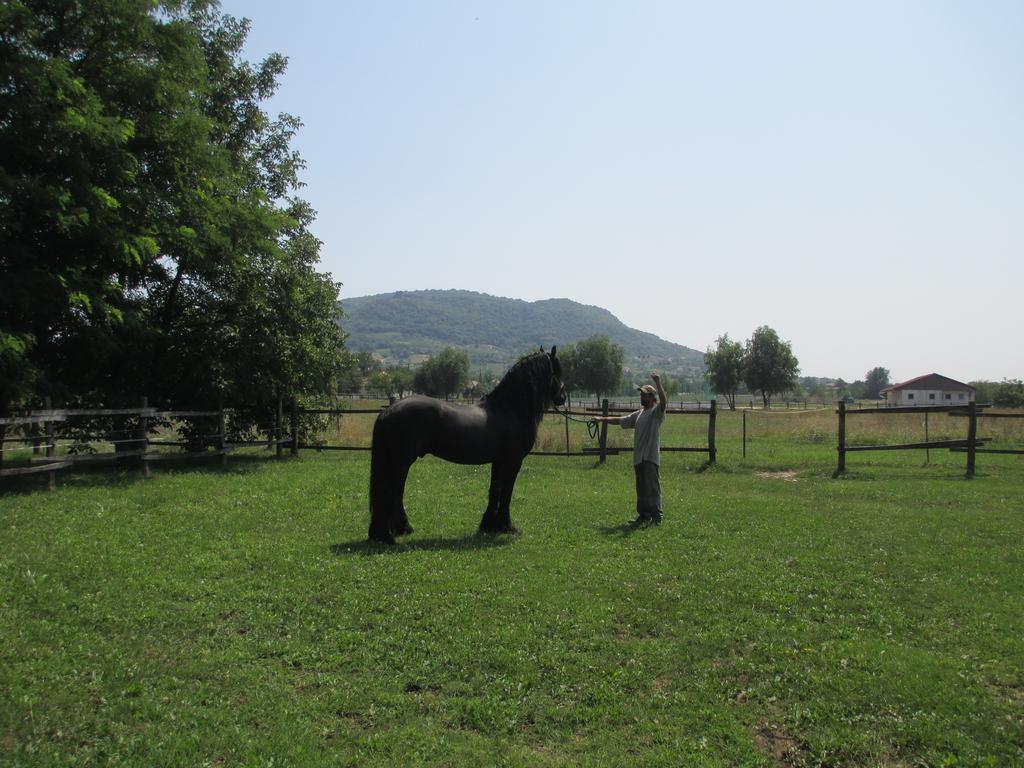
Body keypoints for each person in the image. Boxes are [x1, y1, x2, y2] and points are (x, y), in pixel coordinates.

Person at [592, 373, 668, 525]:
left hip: (650, 458)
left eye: (645, 395)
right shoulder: (638, 414)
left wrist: (658, 382)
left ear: (652, 397)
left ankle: (656, 516)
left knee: (652, 488)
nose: (642, 397)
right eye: (641, 394)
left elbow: (664, 401)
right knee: (641, 489)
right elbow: (620, 420)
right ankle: (644, 515)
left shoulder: (656, 413)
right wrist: (602, 419)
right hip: (638, 458)